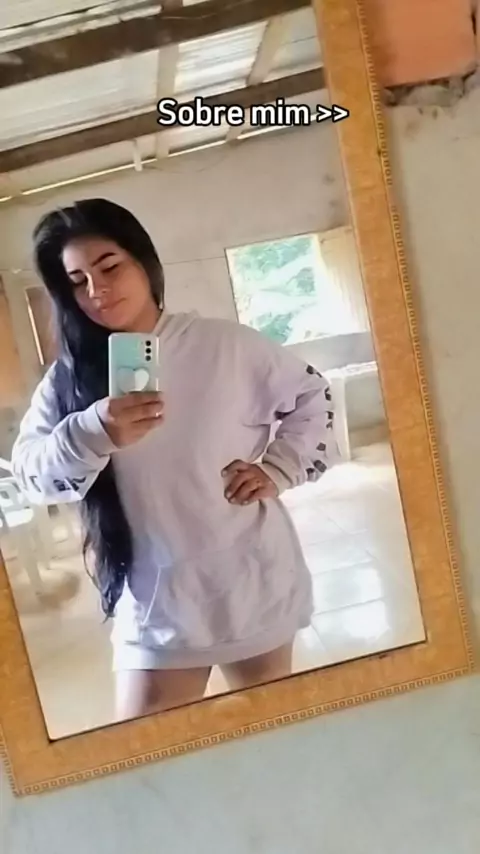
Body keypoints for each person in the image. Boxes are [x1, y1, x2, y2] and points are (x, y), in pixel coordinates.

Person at [11, 198, 335, 721]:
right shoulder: (70, 380)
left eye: (109, 267)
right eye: (77, 281)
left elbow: (313, 395)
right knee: (145, 753)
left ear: (145, 263)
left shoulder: (224, 345)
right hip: (154, 604)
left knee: (272, 735)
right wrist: (94, 431)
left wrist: (278, 467)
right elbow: (31, 476)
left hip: (249, 581)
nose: (96, 290)